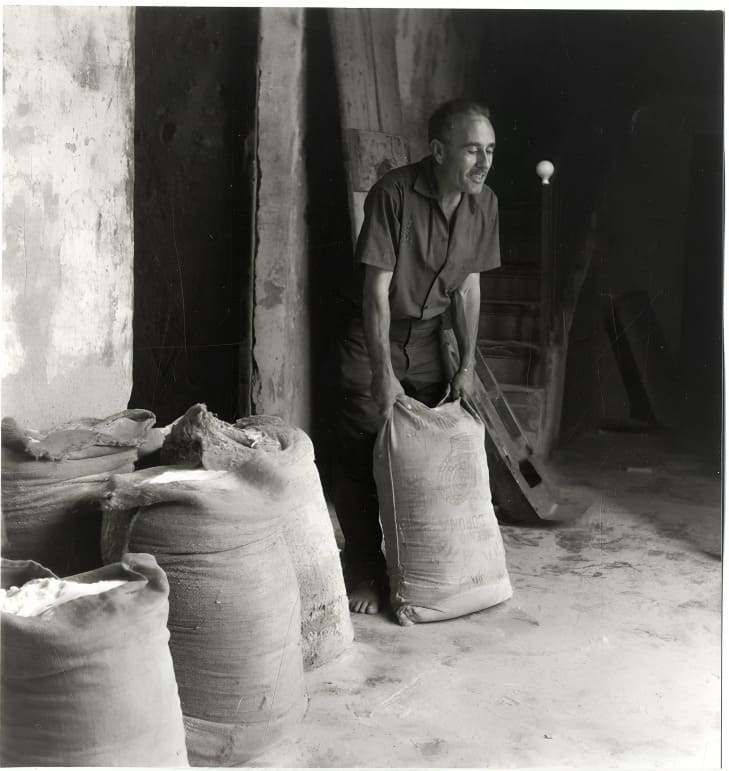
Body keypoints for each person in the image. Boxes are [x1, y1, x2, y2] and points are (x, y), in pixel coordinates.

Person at [332, 98, 501, 614]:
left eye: (490, 151)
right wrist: (383, 374)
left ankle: (424, 568)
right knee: (362, 451)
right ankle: (364, 568)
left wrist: (467, 365)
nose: (483, 162)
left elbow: (469, 289)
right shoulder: (393, 194)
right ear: (437, 150)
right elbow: (374, 294)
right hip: (372, 335)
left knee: (427, 451)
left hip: (429, 337)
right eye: (473, 150)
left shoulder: (485, 204)